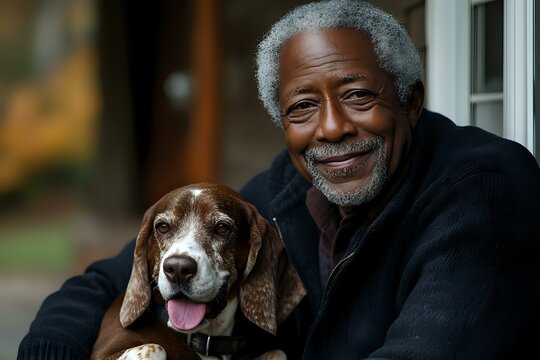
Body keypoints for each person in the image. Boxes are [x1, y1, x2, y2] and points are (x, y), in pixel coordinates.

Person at [19, 0, 540, 359]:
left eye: (358, 95)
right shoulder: (286, 191)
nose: (332, 128)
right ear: (284, 125)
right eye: (303, 107)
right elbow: (100, 284)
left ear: (409, 102)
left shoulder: (485, 188)